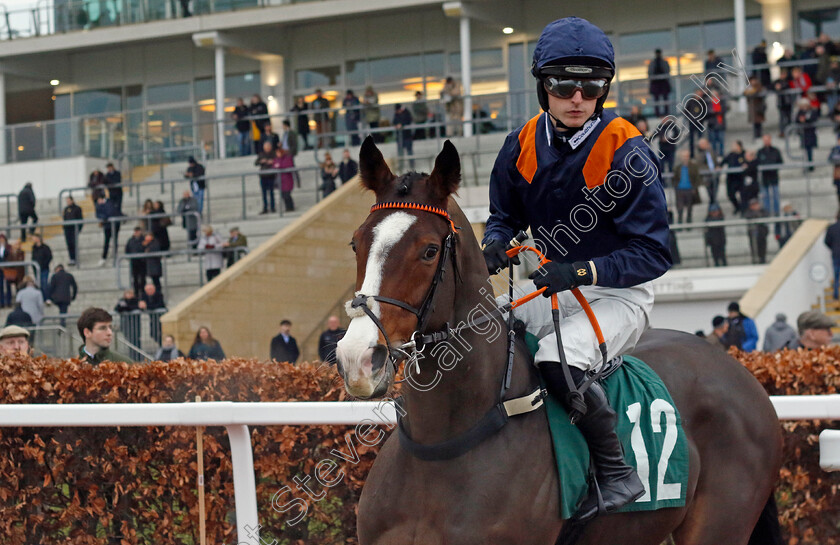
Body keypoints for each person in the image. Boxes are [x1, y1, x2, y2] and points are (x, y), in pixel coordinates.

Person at [482, 17, 671, 520]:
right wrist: (496, 242)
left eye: (591, 86)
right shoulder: (519, 144)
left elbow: (655, 254)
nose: (578, 97)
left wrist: (581, 271)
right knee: (472, 331)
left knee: (555, 358)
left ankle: (616, 473)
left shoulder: (626, 148)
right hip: (550, 291)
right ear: (544, 86)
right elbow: (503, 216)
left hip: (620, 296)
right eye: (564, 85)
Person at [756, 134, 783, 217]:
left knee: (775, 196)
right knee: (765, 197)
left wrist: (773, 168)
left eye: (768, 139)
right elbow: (758, 163)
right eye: (765, 140)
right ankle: (767, 213)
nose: (766, 141)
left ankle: (776, 212)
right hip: (765, 178)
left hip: (774, 177)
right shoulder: (760, 152)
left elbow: (780, 162)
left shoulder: (775, 151)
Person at [672, 149, 701, 223]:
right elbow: (674, 178)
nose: (685, 158)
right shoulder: (677, 167)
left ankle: (689, 222)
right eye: (683, 156)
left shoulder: (693, 166)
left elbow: (697, 178)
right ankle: (680, 221)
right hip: (680, 189)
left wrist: (694, 188)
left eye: (686, 156)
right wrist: (676, 186)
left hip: (689, 189)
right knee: (680, 208)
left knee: (689, 208)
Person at [113, 289, 141, 357]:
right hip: (126, 323)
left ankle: (138, 356)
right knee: (128, 339)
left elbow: (134, 308)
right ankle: (132, 355)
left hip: (135, 324)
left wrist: (126, 307)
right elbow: (117, 308)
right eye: (127, 294)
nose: (129, 295)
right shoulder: (122, 300)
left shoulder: (136, 300)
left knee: (136, 340)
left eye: (130, 293)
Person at [95, 196, 122, 266]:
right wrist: (104, 217)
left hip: (114, 225)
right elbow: (98, 215)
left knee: (115, 240)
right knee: (106, 241)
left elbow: (111, 212)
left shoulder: (109, 203)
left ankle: (115, 256)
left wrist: (104, 217)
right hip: (107, 226)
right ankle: (104, 257)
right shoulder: (99, 205)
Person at [721, 140, 746, 214]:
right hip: (731, 178)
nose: (732, 147)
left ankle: (743, 209)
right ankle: (737, 207)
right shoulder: (730, 155)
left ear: (739, 146)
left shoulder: (744, 154)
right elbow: (723, 162)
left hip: (741, 178)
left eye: (734, 145)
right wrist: (719, 166)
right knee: (730, 194)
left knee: (743, 195)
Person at [795, 98, 819, 170]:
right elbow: (796, 120)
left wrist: (805, 120)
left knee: (809, 150)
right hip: (803, 134)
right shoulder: (800, 112)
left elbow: (813, 119)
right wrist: (800, 120)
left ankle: (811, 165)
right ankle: (807, 164)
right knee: (805, 150)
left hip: (810, 133)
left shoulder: (812, 111)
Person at [744, 198, 769, 264]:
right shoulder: (748, 212)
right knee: (754, 247)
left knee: (763, 247)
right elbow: (747, 216)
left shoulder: (763, 211)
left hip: (762, 233)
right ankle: (755, 260)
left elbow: (766, 216)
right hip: (753, 233)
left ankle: (762, 260)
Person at [255, 141, 277, 214]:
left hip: (271, 175)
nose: (267, 149)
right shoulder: (261, 154)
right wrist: (262, 161)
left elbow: (277, 161)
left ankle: (272, 207)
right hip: (263, 176)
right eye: (266, 147)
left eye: (268, 147)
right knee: (264, 193)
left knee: (271, 192)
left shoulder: (273, 154)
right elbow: (256, 163)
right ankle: (265, 208)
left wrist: (272, 161)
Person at [648, 48, 671, 116]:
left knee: (665, 99)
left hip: (663, 83)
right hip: (656, 83)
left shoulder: (663, 62)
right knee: (656, 99)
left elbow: (667, 71)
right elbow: (650, 73)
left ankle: (666, 112)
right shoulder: (653, 63)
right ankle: (657, 113)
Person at [29, 234, 52, 302]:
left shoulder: (45, 247)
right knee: (39, 284)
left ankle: (47, 298)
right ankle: (42, 298)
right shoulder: (34, 248)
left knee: (44, 283)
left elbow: (49, 257)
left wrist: (43, 265)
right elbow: (33, 258)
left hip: (44, 268)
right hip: (37, 270)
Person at [772, 67, 794, 137]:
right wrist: (776, 87)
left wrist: (780, 87)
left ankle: (790, 131)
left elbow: (788, 86)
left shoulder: (789, 81)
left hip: (788, 103)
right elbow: (771, 86)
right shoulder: (777, 81)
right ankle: (782, 132)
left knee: (789, 117)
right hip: (781, 103)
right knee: (782, 118)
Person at [696, 138, 719, 204]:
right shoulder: (698, 153)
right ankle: (712, 206)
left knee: (715, 192)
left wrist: (717, 166)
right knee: (710, 192)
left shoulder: (711, 151)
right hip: (706, 175)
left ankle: (713, 205)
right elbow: (699, 163)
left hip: (714, 174)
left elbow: (715, 160)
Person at [392, 103, 414, 170]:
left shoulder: (406, 113)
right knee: (400, 152)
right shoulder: (397, 114)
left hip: (407, 135)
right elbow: (394, 121)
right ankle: (401, 166)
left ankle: (412, 165)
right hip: (400, 137)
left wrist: (401, 124)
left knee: (409, 151)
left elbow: (408, 120)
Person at [125, 227, 147, 295]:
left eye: (138, 231)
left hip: (142, 262)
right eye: (135, 231)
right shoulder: (131, 240)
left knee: (142, 278)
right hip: (134, 262)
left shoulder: (144, 240)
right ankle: (136, 293)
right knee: (135, 278)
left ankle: (143, 292)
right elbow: (127, 250)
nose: (137, 233)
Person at [62, 196, 83, 266]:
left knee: (74, 244)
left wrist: (78, 229)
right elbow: (64, 219)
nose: (68, 202)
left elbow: (80, 220)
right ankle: (71, 258)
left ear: (72, 200)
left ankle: (76, 258)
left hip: (74, 229)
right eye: (67, 201)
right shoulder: (66, 209)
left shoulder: (77, 208)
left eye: (69, 200)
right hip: (67, 229)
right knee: (69, 244)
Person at [274, 147, 296, 211]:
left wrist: (279, 166)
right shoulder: (276, 159)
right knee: (283, 195)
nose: (277, 154)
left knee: (287, 194)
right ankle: (287, 207)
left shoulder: (287, 158)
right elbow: (274, 165)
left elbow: (288, 165)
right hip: (280, 180)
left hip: (287, 180)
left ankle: (290, 207)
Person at [825, 212, 840, 299]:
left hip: (836, 254)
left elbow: (826, 241)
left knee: (836, 275)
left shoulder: (831, 228)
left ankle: (835, 294)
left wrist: (833, 248)